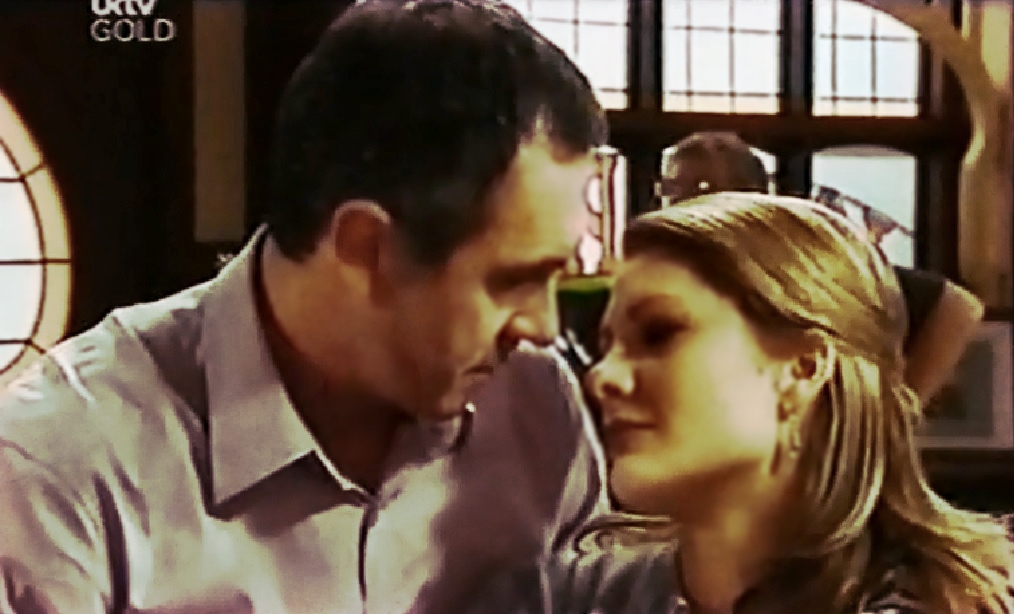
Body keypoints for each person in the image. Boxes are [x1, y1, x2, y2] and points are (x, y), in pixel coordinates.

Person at [0, 1, 612, 612]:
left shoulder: (534, 409)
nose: (544, 327)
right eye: (513, 281)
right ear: (365, 247)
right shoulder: (61, 467)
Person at [463, 193, 1014, 614]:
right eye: (606, 345)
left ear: (802, 370)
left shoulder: (938, 603)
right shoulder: (578, 595)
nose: (601, 377)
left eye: (659, 333)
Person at [654, 131, 985, 404]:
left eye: (702, 189)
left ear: (751, 195)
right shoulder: (658, 271)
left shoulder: (801, 264)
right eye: (671, 189)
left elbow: (958, 308)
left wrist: (901, 409)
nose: (683, 204)